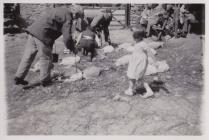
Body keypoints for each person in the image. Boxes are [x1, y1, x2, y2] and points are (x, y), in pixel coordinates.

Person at [14, 5, 84, 86]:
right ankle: (45, 81)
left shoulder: (62, 9)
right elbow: (67, 38)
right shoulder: (68, 17)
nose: (75, 19)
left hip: (34, 30)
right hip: (43, 35)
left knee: (28, 56)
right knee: (46, 58)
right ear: (75, 13)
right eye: (77, 16)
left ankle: (19, 77)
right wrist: (72, 48)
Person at [125, 28, 154, 98]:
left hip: (140, 62)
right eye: (134, 38)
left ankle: (149, 91)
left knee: (139, 77)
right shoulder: (137, 42)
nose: (134, 39)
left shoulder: (143, 44)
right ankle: (130, 89)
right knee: (132, 75)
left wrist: (154, 61)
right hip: (135, 62)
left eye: (135, 38)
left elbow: (149, 51)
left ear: (140, 37)